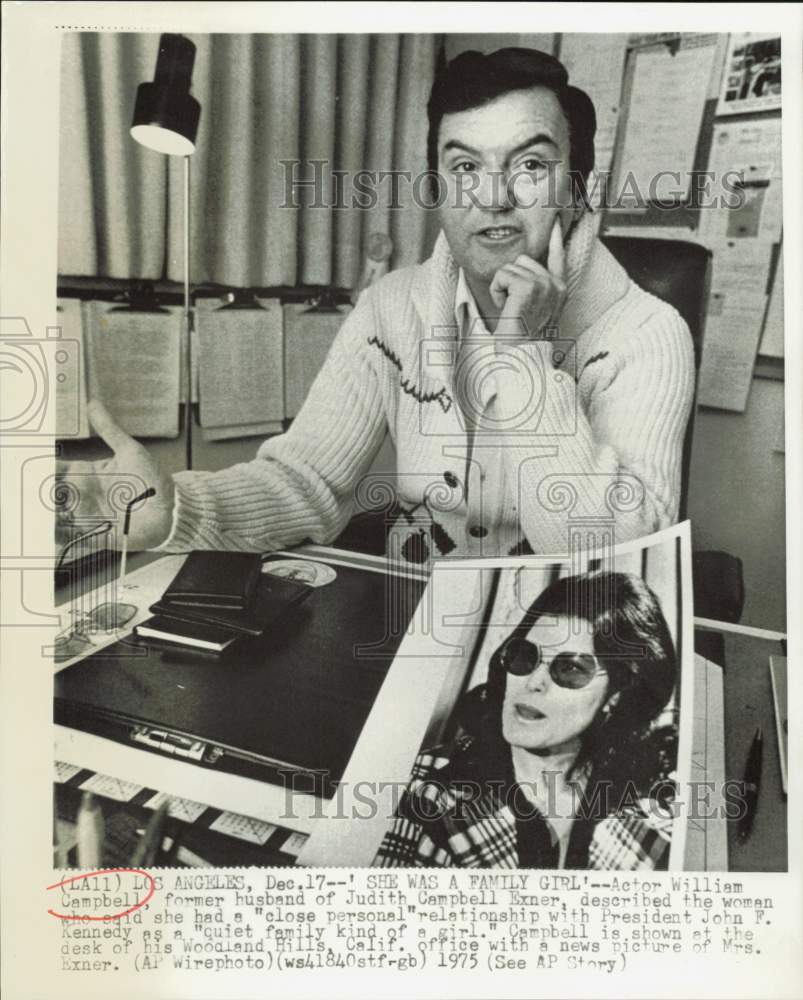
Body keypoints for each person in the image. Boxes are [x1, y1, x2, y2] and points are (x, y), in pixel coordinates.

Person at [57, 47, 695, 564]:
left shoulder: (649, 332)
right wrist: (176, 510)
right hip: (407, 620)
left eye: (529, 164)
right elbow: (308, 482)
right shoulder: (392, 308)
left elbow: (611, 561)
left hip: (558, 642)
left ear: (576, 190)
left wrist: (521, 356)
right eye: (464, 167)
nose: (493, 195)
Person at [374, 571, 679, 869]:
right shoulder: (421, 782)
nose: (534, 682)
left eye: (570, 669)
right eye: (525, 656)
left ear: (618, 692)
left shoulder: (655, 818)